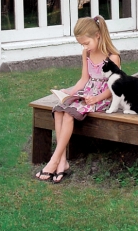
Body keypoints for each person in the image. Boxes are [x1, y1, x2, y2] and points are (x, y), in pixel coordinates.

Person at [34, 15, 121, 183]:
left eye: (86, 43)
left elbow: (114, 87)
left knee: (69, 114)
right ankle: (63, 162)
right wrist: (69, 92)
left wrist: (96, 99)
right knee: (59, 110)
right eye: (82, 44)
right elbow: (83, 79)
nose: (85, 47)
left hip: (103, 99)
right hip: (87, 94)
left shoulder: (112, 57)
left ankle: (54, 161)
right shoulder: (86, 54)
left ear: (97, 35)